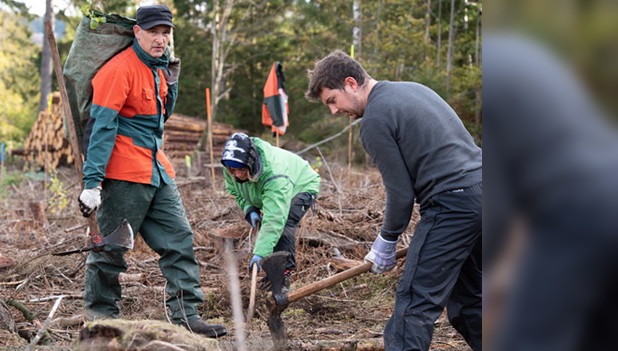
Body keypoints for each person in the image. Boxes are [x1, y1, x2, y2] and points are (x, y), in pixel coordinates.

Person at [306, 50, 482, 351]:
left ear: (350, 83)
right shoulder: (413, 89)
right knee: (469, 302)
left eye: (332, 101)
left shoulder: (375, 118)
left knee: (413, 304)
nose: (334, 112)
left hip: (452, 202)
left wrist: (386, 239)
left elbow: (401, 194)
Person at [76, 4, 226, 338]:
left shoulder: (161, 68)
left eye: (165, 32)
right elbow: (101, 128)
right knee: (111, 249)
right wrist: (92, 182)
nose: (160, 39)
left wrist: (171, 83)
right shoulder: (118, 70)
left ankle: (187, 316)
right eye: (153, 32)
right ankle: (101, 321)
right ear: (137, 32)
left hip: (157, 169)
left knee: (180, 239)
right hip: (124, 172)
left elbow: (159, 119)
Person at [220, 132, 320, 290]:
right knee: (270, 228)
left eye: (241, 170)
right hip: (272, 189)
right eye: (233, 170)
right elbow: (236, 192)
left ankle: (283, 275)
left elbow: (275, 219)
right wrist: (249, 209)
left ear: (251, 163)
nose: (237, 175)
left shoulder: (274, 175)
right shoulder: (231, 168)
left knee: (284, 222)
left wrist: (260, 253)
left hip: (301, 185)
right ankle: (273, 273)